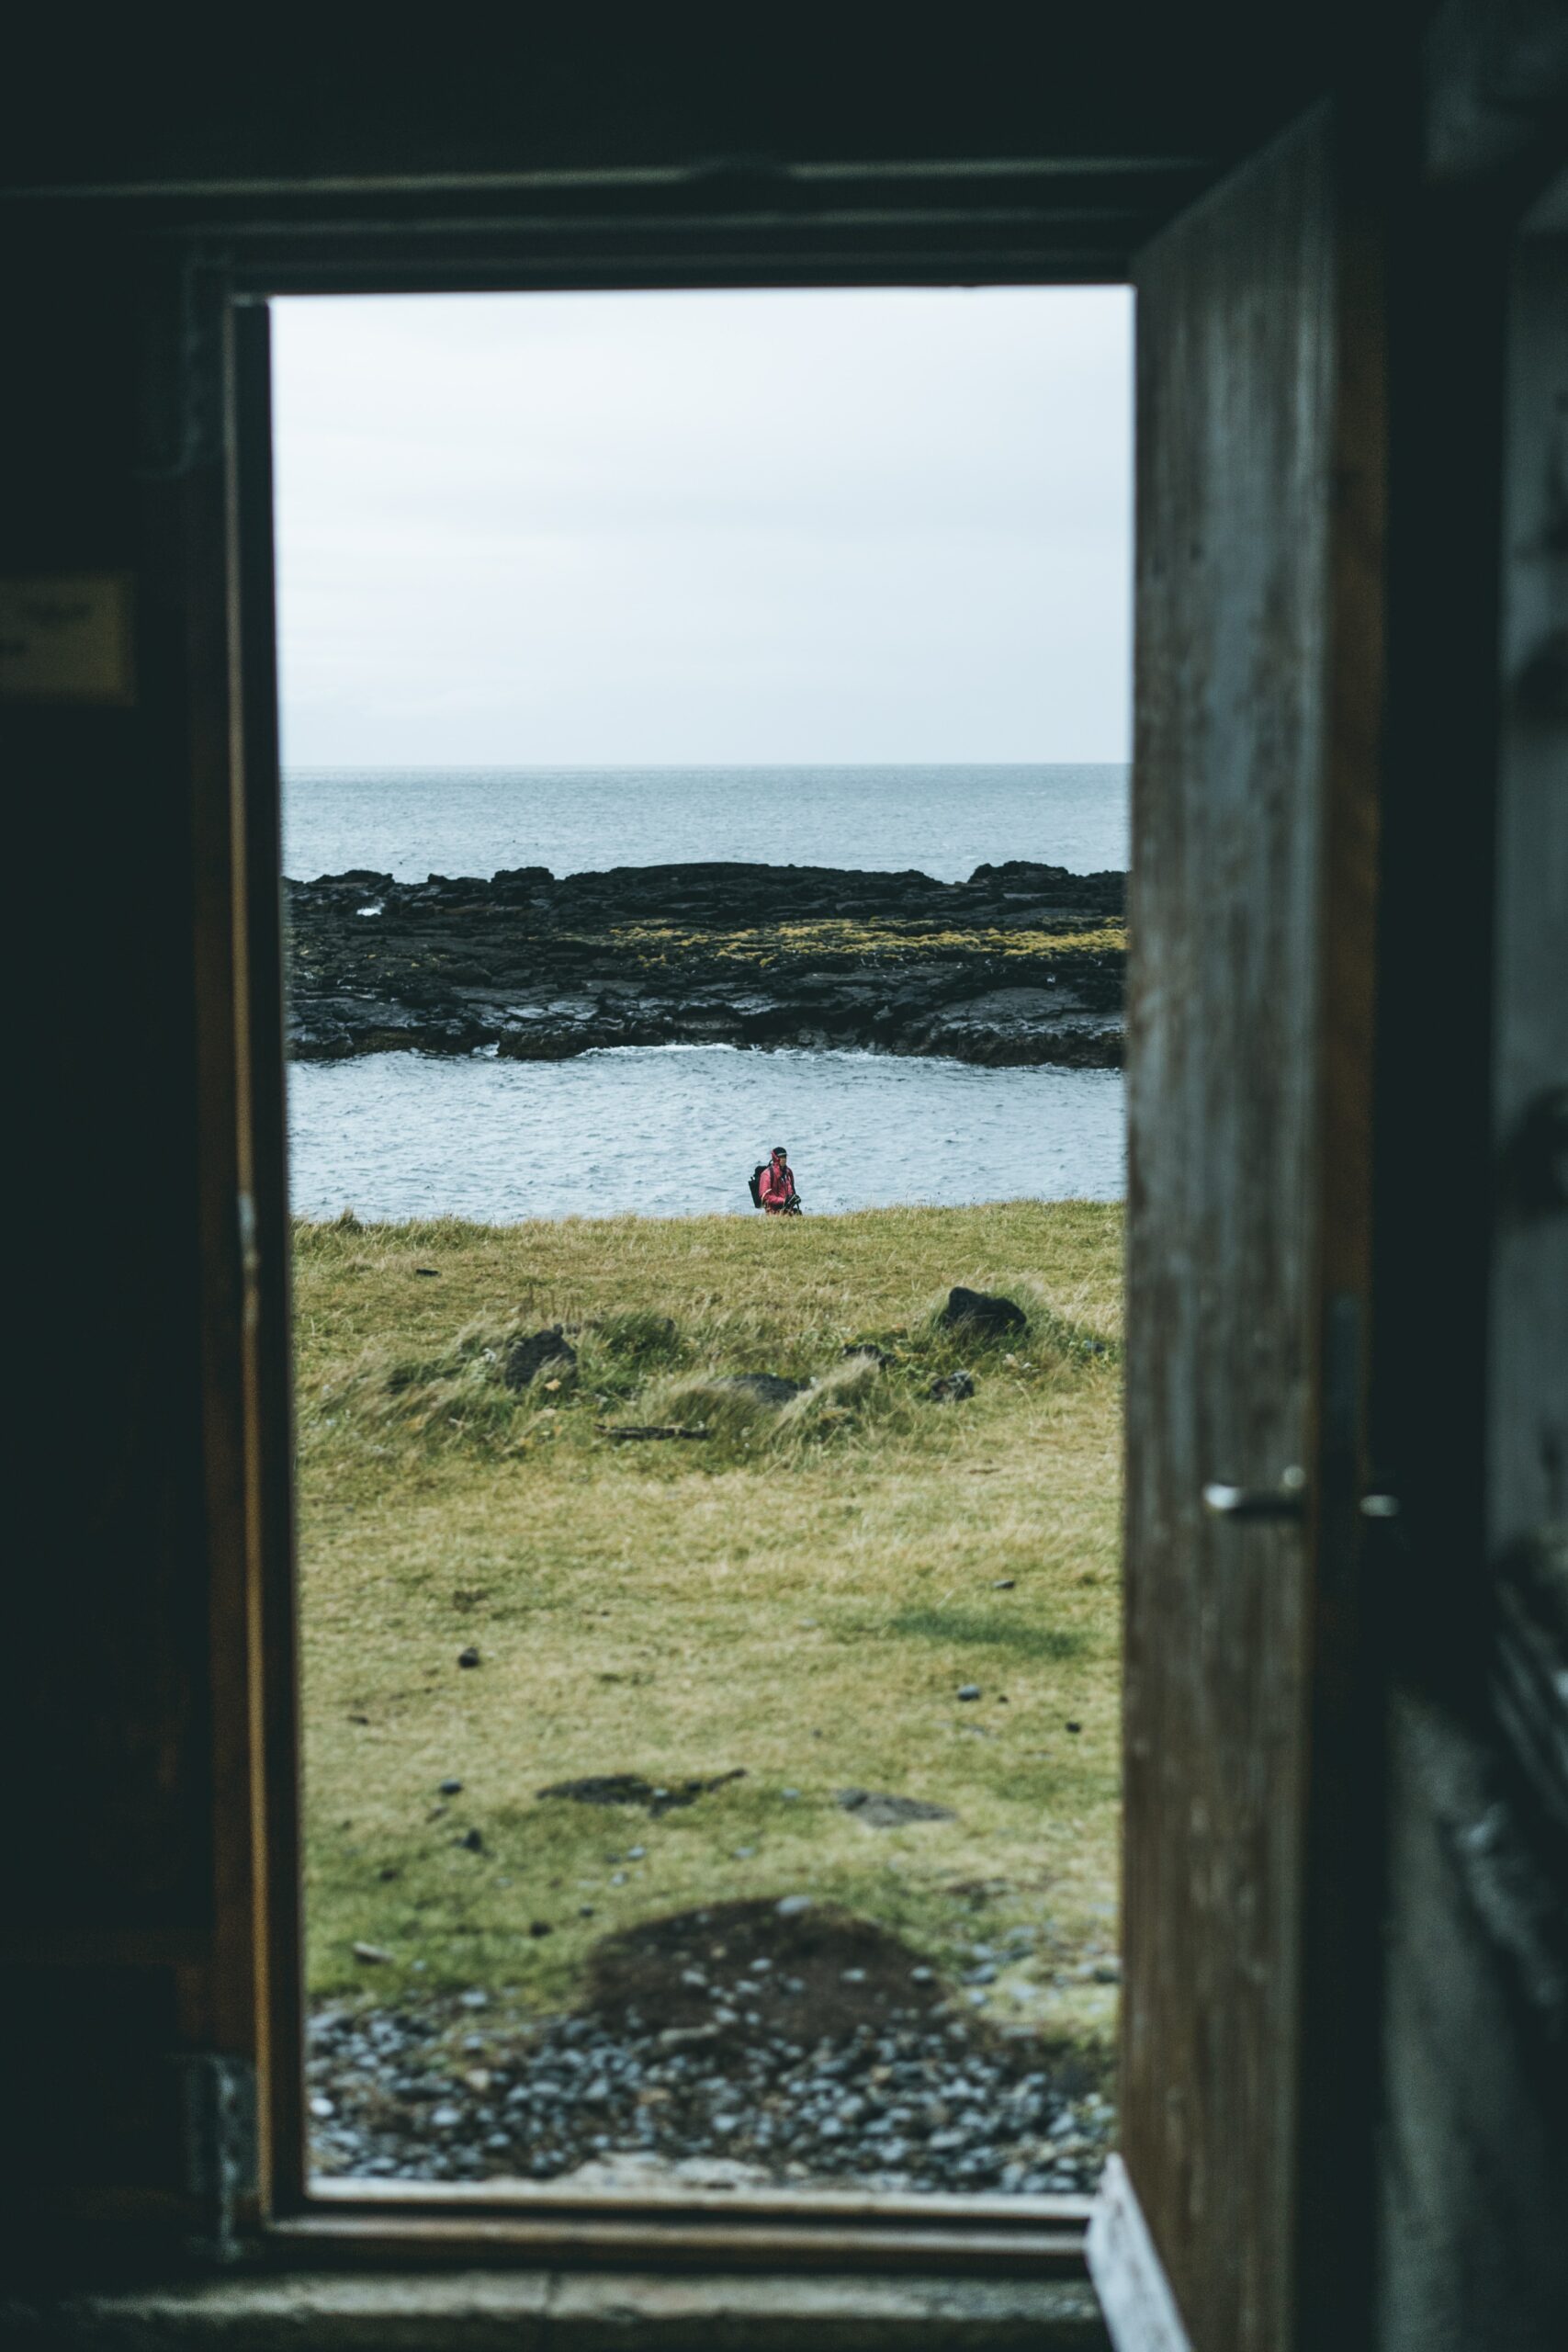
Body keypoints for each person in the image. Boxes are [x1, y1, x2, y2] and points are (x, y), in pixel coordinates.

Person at [759, 1144, 798, 1216]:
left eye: (785, 1156)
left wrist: (794, 1199)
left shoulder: (788, 1172)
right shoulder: (767, 1174)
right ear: (775, 1158)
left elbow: (791, 1190)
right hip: (773, 1213)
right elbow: (764, 1197)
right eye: (781, 1157)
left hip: (788, 1210)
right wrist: (784, 1201)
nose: (783, 1159)